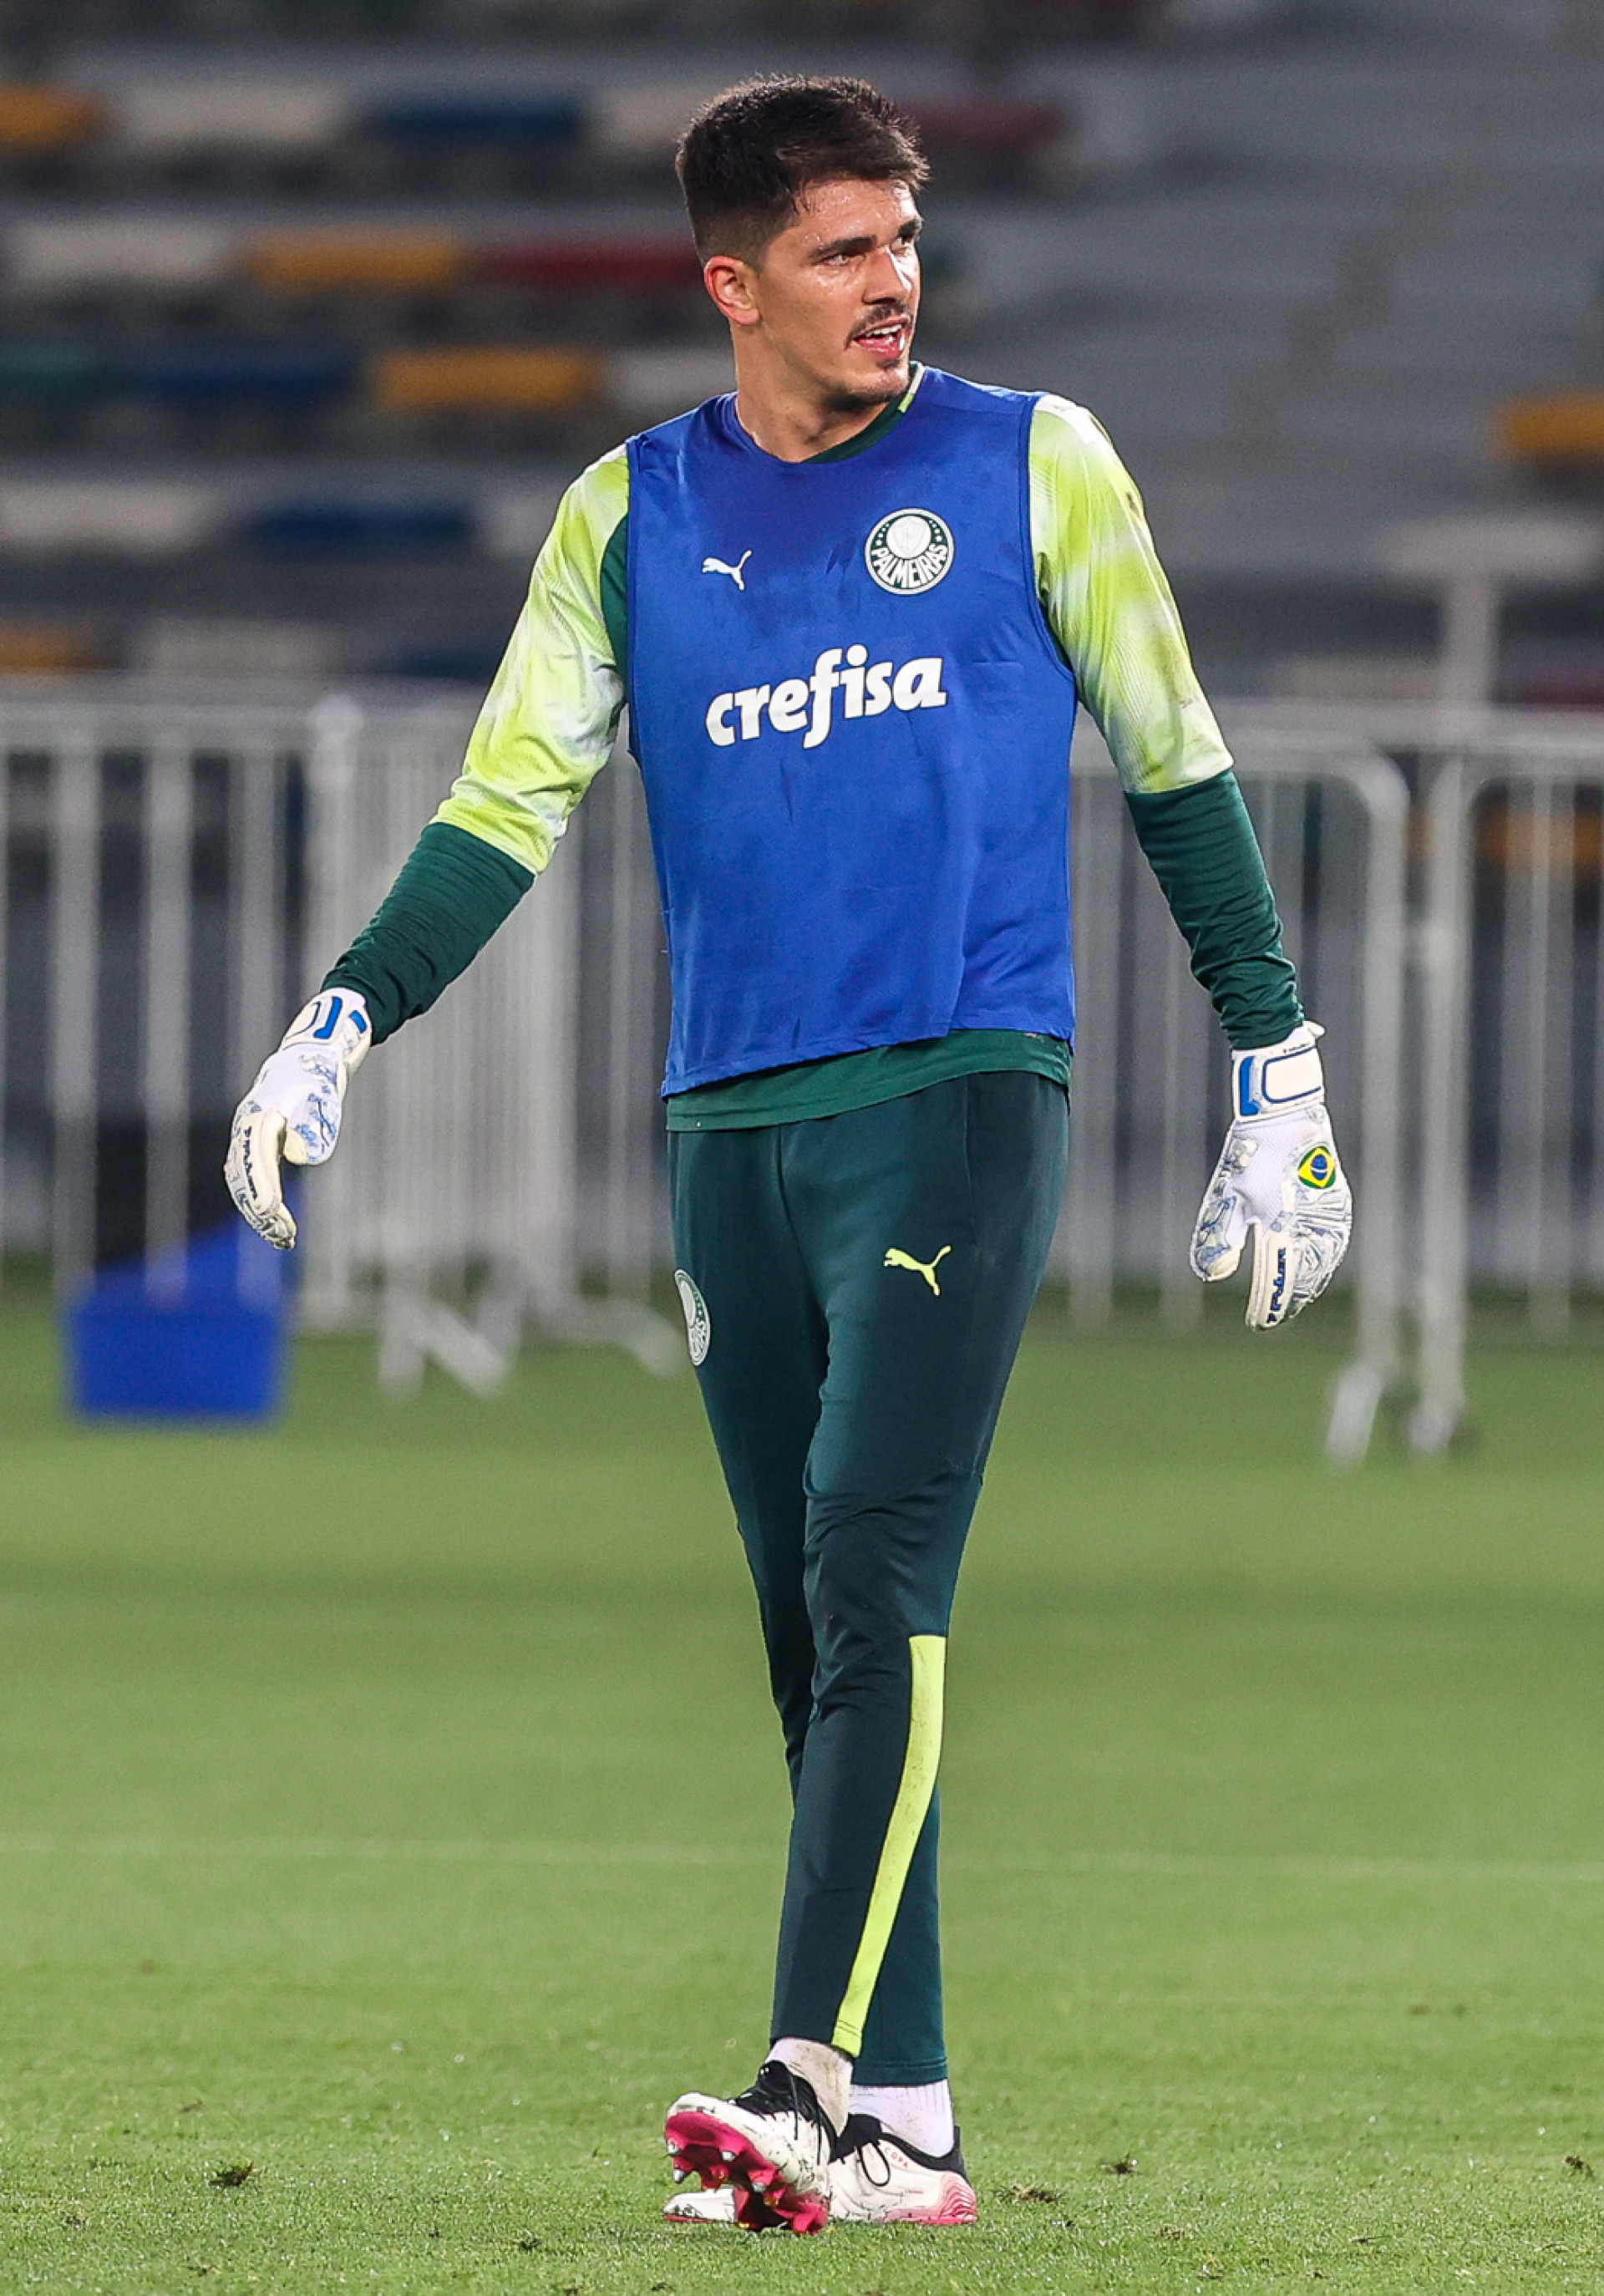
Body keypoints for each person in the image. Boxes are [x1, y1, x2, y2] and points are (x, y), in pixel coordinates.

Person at [225, 74, 1352, 2238]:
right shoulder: (627, 519)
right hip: (729, 1126)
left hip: (956, 1090)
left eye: (906, 239)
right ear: (728, 281)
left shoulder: (1042, 464)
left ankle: (805, 2081)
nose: (892, 283)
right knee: (812, 1633)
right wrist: (344, 1014)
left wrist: (1277, 1062)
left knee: (871, 1566)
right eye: (842, 252)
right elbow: (501, 805)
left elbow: (1179, 759)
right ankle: (914, 2121)